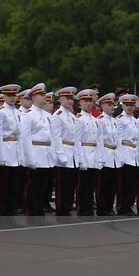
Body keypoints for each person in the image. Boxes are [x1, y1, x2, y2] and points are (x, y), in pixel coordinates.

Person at [19, 84, 55, 220]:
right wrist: (29, 158)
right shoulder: (28, 115)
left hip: (45, 154)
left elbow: (50, 137)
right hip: (35, 153)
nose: (44, 97)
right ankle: (32, 214)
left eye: (44, 95)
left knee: (43, 186)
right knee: (33, 186)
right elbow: (25, 137)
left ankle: (40, 212)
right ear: (33, 97)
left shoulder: (47, 116)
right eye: (41, 95)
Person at [0, 84, 23, 225]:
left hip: (15, 151)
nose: (12, 98)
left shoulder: (18, 113)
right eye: (9, 95)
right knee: (2, 187)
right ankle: (1, 215)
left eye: (14, 95)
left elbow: (21, 135)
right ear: (3, 96)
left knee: (14, 186)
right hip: (4, 149)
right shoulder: (0, 112)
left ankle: (10, 214)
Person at [51, 87, 80, 217]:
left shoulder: (72, 117)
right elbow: (55, 137)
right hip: (63, 151)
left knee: (70, 185)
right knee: (62, 185)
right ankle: (61, 209)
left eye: (71, 99)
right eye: (67, 98)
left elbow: (76, 138)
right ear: (61, 99)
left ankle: (67, 208)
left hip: (72, 152)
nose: (70, 101)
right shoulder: (58, 116)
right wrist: (60, 155)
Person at [74, 89, 101, 216]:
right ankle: (82, 208)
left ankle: (89, 207)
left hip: (93, 154)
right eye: (85, 101)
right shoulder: (79, 119)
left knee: (91, 185)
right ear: (80, 103)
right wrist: (80, 159)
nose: (89, 104)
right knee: (83, 185)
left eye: (90, 101)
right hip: (84, 153)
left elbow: (98, 140)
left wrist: (99, 158)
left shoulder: (95, 120)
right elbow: (77, 140)